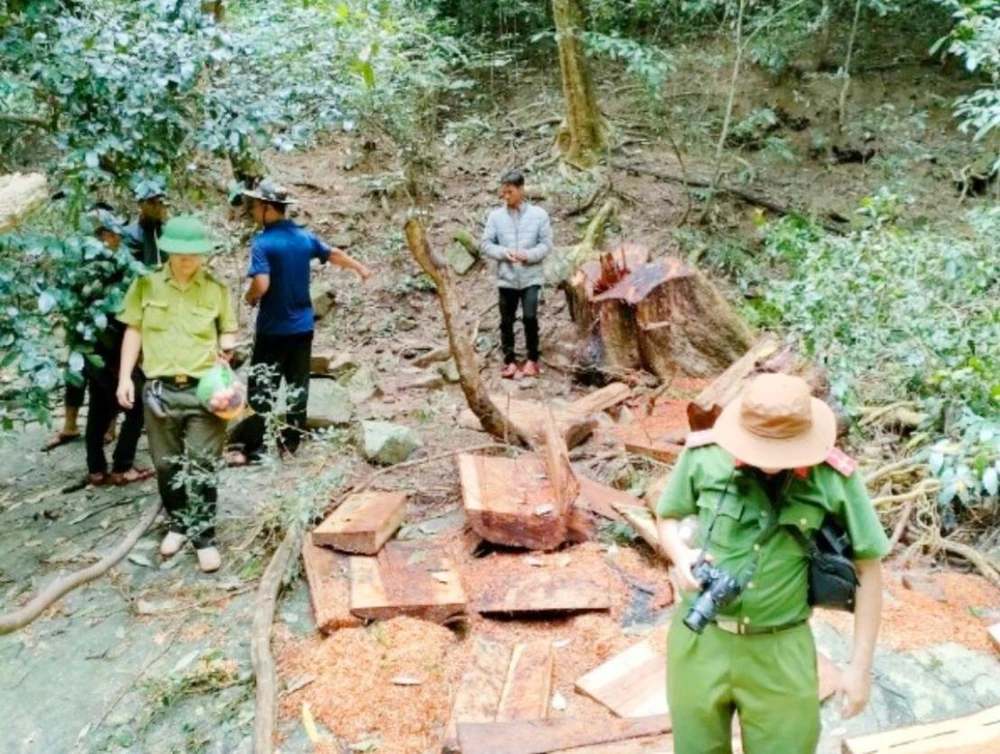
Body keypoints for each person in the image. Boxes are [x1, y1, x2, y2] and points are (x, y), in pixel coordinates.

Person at [655, 373, 888, 754]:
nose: (771, 464)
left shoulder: (833, 476)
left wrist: (859, 669)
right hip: (700, 639)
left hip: (781, 649)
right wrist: (681, 556)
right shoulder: (704, 456)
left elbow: (869, 569)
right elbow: (668, 516)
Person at [116, 215, 238, 573]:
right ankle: (179, 524)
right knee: (166, 463)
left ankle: (204, 535)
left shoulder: (216, 289)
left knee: (202, 462)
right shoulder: (146, 284)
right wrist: (125, 377)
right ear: (168, 251)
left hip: (205, 390)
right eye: (180, 253)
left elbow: (228, 331)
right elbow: (133, 332)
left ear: (203, 254)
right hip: (159, 390)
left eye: (194, 254)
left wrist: (227, 348)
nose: (187, 260)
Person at [227, 180, 370, 464]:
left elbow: (262, 283)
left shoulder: (263, 242)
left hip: (272, 328)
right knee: (297, 384)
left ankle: (254, 449)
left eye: (256, 206)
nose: (254, 211)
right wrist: (360, 268)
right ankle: (290, 444)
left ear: (268, 208)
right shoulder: (303, 237)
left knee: (261, 385)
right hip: (302, 327)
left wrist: (250, 296)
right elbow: (334, 254)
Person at [81, 208, 153, 486]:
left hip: (93, 350)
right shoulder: (117, 270)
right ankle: (122, 466)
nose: (120, 239)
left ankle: (96, 468)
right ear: (105, 236)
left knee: (98, 407)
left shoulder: (84, 269)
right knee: (135, 409)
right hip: (115, 351)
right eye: (114, 234)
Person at [480, 169, 553, 379]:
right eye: (503, 192)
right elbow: (486, 245)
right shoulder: (495, 217)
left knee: (530, 317)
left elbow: (546, 244)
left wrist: (528, 255)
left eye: (510, 191)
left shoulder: (539, 215)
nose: (506, 196)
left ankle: (532, 359)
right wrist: (504, 253)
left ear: (521, 189)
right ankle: (510, 361)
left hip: (531, 276)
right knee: (506, 320)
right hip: (507, 278)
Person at [123, 178, 169, 268]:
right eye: (151, 202)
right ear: (140, 204)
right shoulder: (130, 234)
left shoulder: (168, 232)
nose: (157, 207)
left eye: (160, 202)